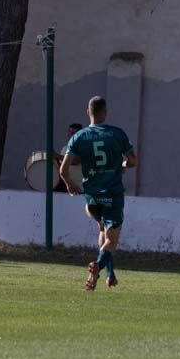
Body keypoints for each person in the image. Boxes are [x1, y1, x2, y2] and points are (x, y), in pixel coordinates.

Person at [59, 97, 137, 291]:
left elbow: (63, 170)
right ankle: (98, 265)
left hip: (92, 197)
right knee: (112, 240)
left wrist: (70, 185)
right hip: (113, 195)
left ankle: (109, 274)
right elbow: (133, 161)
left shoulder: (78, 137)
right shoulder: (117, 133)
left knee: (103, 230)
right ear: (105, 113)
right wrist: (122, 164)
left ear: (88, 112)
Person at [53, 122, 83, 194]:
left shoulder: (83, 148)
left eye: (74, 133)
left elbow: (75, 161)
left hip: (79, 189)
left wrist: (56, 155)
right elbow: (60, 165)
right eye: (70, 133)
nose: (71, 135)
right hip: (67, 187)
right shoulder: (65, 148)